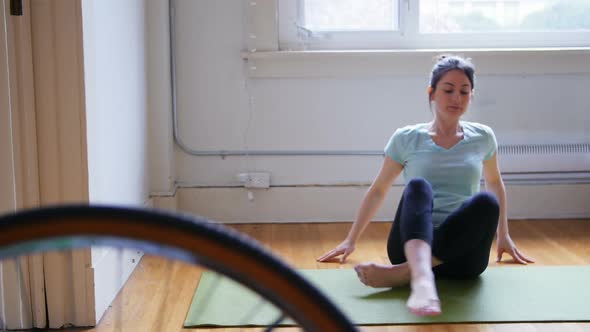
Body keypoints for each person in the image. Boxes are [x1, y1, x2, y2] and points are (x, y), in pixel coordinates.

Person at [317, 55, 534, 317]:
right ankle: (421, 277)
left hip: (464, 257)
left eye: (464, 92)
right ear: (431, 93)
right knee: (418, 187)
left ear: (471, 96)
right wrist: (351, 239)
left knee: (487, 202)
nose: (456, 98)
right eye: (448, 90)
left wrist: (504, 235)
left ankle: (404, 274)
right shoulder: (407, 138)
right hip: (410, 246)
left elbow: (495, 184)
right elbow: (378, 190)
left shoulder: (483, 137)